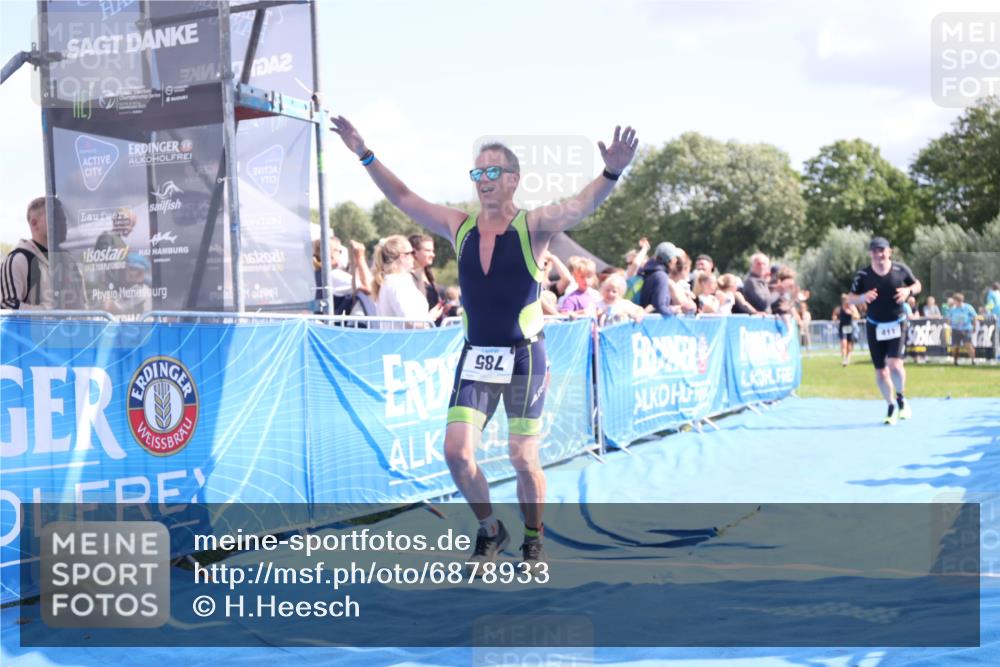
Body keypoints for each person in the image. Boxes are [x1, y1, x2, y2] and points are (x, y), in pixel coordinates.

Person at [331, 115, 638, 567]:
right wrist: (364, 152)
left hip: (524, 356)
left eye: (493, 172)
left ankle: (534, 537)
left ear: (513, 179)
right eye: (478, 173)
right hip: (476, 356)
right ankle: (490, 528)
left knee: (522, 456)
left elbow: (579, 206)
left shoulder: (535, 225)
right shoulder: (459, 225)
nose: (484, 180)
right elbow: (402, 196)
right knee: (455, 453)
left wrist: (611, 172)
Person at [847, 237, 921, 425]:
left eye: (882, 250)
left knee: (895, 364)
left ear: (889, 252)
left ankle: (901, 397)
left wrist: (908, 292)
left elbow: (917, 285)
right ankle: (890, 406)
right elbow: (850, 298)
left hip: (897, 323)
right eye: (874, 251)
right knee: (881, 372)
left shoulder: (900, 269)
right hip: (874, 325)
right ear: (870, 253)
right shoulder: (863, 275)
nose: (878, 254)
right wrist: (863, 296)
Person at [371, 235, 443, 329]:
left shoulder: (392, 281)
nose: (414, 256)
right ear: (402, 257)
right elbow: (411, 321)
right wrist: (431, 316)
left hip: (400, 340)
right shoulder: (397, 283)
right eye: (412, 252)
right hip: (406, 341)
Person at [1, 197, 52, 310]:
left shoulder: (67, 261)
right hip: (34, 328)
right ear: (34, 223)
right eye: (54, 216)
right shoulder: (18, 260)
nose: (62, 222)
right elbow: (7, 306)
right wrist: (51, 313)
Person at [638, 242, 680, 316]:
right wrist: (672, 310)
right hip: (653, 325)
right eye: (674, 257)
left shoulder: (647, 272)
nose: (676, 260)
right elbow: (659, 306)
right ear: (669, 260)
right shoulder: (661, 276)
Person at [410, 233, 441, 314]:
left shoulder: (428, 274)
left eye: (433, 251)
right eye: (428, 250)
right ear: (414, 252)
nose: (433, 255)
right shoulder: (408, 277)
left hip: (435, 325)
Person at [947, 292, 978, 365]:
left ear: (958, 300)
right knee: (955, 346)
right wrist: (951, 327)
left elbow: (974, 317)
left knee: (968, 345)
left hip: (966, 329)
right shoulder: (952, 309)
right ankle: (955, 361)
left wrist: (974, 326)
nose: (953, 302)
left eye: (954, 300)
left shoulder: (968, 307)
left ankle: (973, 361)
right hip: (955, 330)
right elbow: (949, 319)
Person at [832, 294, 861, 366]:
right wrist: (834, 318)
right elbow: (834, 314)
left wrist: (851, 313)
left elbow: (858, 317)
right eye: (844, 301)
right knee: (843, 343)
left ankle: (848, 358)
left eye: (846, 300)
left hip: (851, 327)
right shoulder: (839, 308)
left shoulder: (852, 307)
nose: (845, 302)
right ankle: (844, 360)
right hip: (842, 327)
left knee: (849, 345)